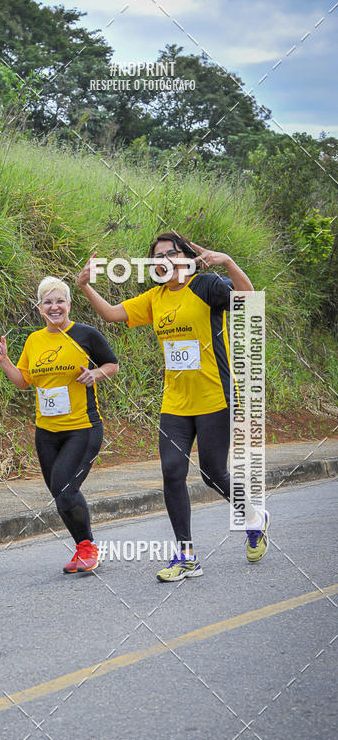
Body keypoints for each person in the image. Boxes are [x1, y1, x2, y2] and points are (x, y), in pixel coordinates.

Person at [78, 233, 270, 582]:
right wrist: (86, 286)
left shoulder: (207, 285)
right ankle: (186, 556)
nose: (163, 260)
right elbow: (110, 314)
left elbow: (249, 298)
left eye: (170, 253)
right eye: (156, 257)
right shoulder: (156, 298)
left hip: (215, 398)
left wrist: (227, 262)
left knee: (213, 473)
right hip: (175, 403)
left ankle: (253, 517)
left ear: (185, 257)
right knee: (172, 473)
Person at [0, 276, 119, 573]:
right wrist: (4, 360)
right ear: (39, 308)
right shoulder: (34, 340)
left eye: (60, 300)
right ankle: (82, 548)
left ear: (70, 304)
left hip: (82, 428)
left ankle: (88, 548)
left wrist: (96, 375)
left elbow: (111, 364)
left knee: (64, 488)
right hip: (46, 433)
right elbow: (24, 381)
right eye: (48, 301)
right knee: (61, 493)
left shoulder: (86, 335)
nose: (54, 306)